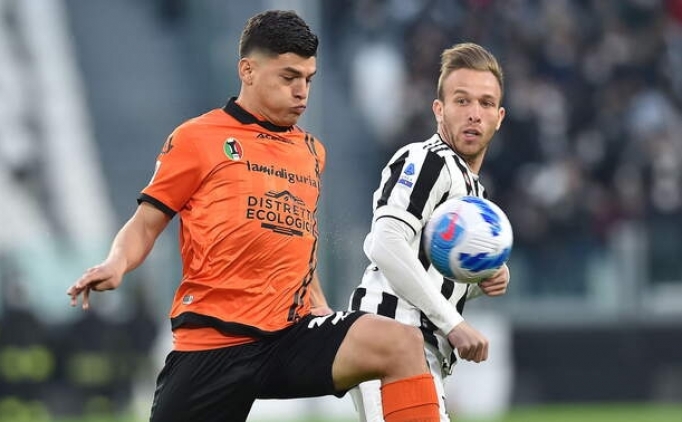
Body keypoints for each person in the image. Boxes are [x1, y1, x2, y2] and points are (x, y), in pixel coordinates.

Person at [66, 10, 443, 422]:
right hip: (216, 343)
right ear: (247, 71)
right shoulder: (197, 138)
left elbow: (295, 238)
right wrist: (116, 263)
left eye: (309, 79)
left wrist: (318, 305)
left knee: (402, 343)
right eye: (289, 77)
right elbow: (145, 223)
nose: (301, 91)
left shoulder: (311, 152)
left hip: (288, 338)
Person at [348, 42, 511, 422]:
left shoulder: (474, 191)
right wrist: (454, 324)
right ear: (439, 109)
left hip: (415, 348)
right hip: (393, 339)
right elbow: (386, 243)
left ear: (499, 117)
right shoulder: (427, 161)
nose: (474, 114)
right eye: (462, 101)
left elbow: (429, 269)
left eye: (486, 103)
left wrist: (482, 277)